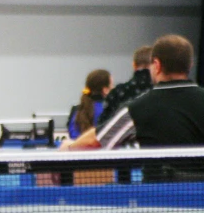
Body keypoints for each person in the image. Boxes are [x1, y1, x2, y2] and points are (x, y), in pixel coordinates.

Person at [63, 34, 204, 150]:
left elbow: (98, 140)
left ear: (156, 65)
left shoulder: (137, 108)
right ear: (190, 66)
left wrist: (69, 147)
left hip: (157, 184)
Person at [97, 45, 153, 125]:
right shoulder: (161, 91)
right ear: (156, 65)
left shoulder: (117, 93)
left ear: (134, 65)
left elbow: (103, 125)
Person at [66, 69, 112, 139]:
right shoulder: (111, 110)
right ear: (105, 90)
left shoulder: (76, 110)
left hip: (79, 148)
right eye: (112, 86)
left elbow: (73, 137)